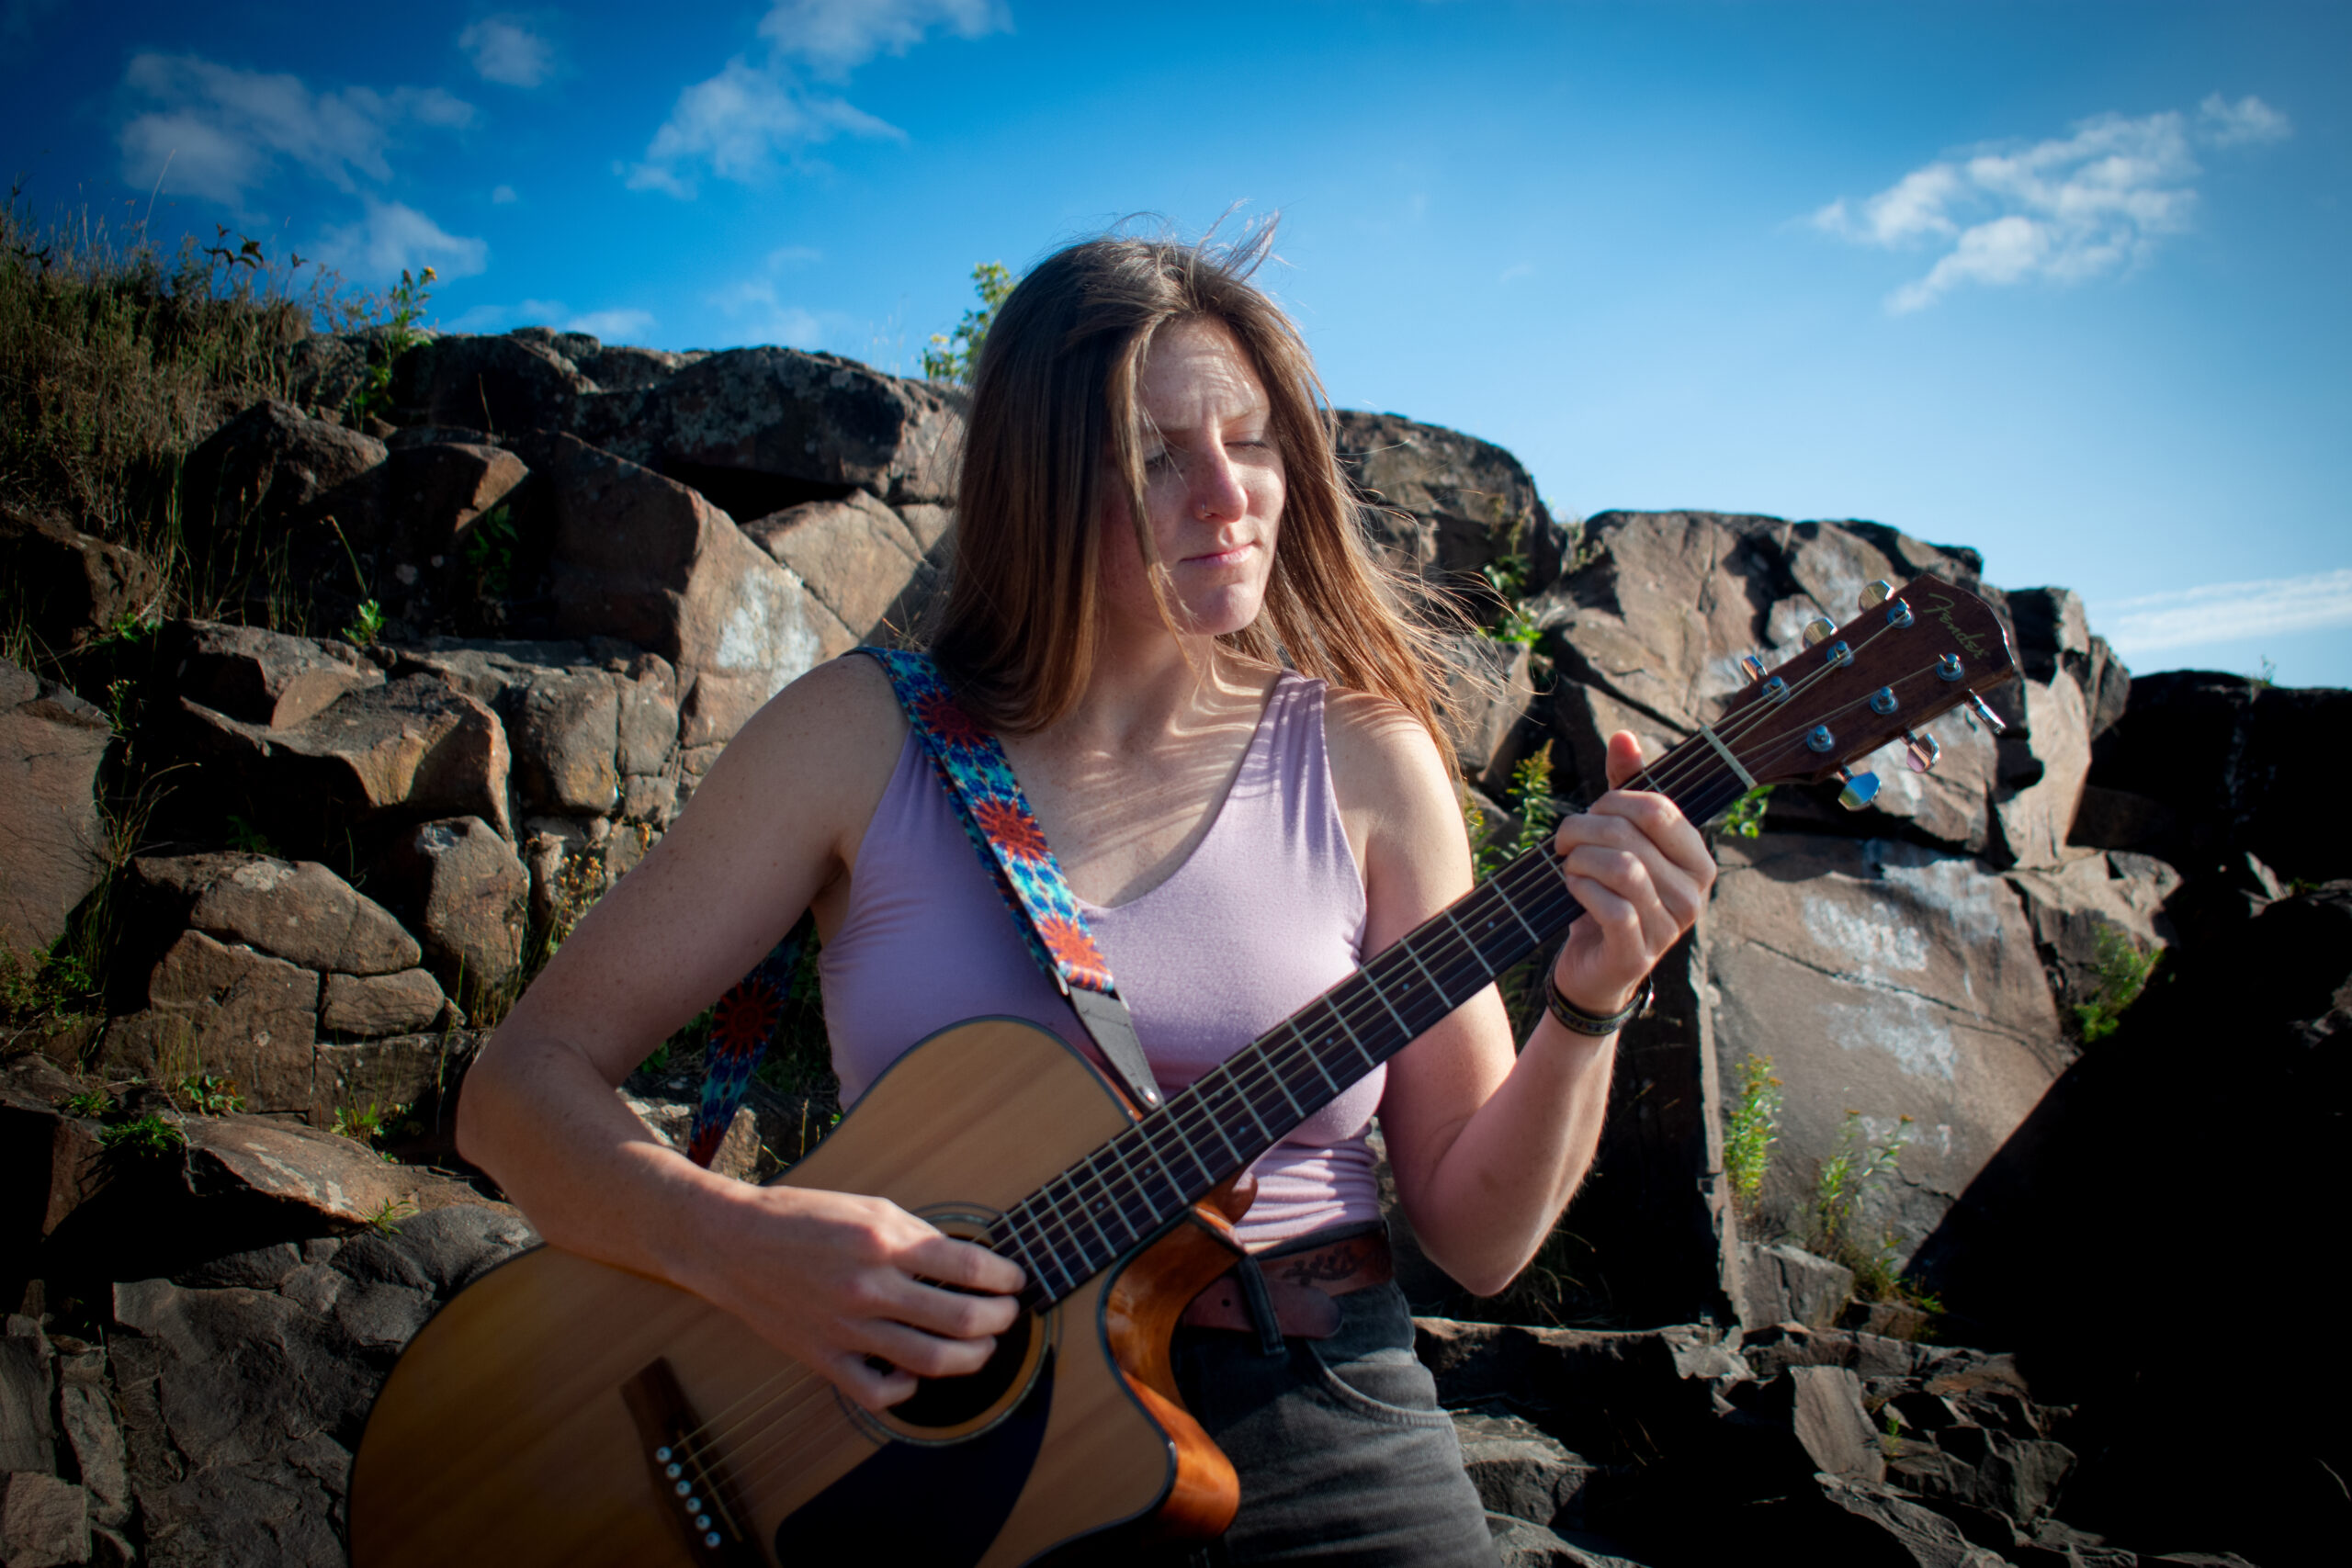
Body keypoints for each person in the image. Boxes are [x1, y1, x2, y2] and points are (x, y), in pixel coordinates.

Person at [457, 230, 1716, 1564]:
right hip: (923, 1438)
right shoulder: (855, 738)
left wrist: (1591, 1004)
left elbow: (1478, 1239)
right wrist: (742, 1247)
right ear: (1040, 483)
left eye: (1252, 440)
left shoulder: (1367, 761)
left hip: (1322, 1408)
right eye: (1157, 456)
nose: (1226, 495)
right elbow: (518, 1088)